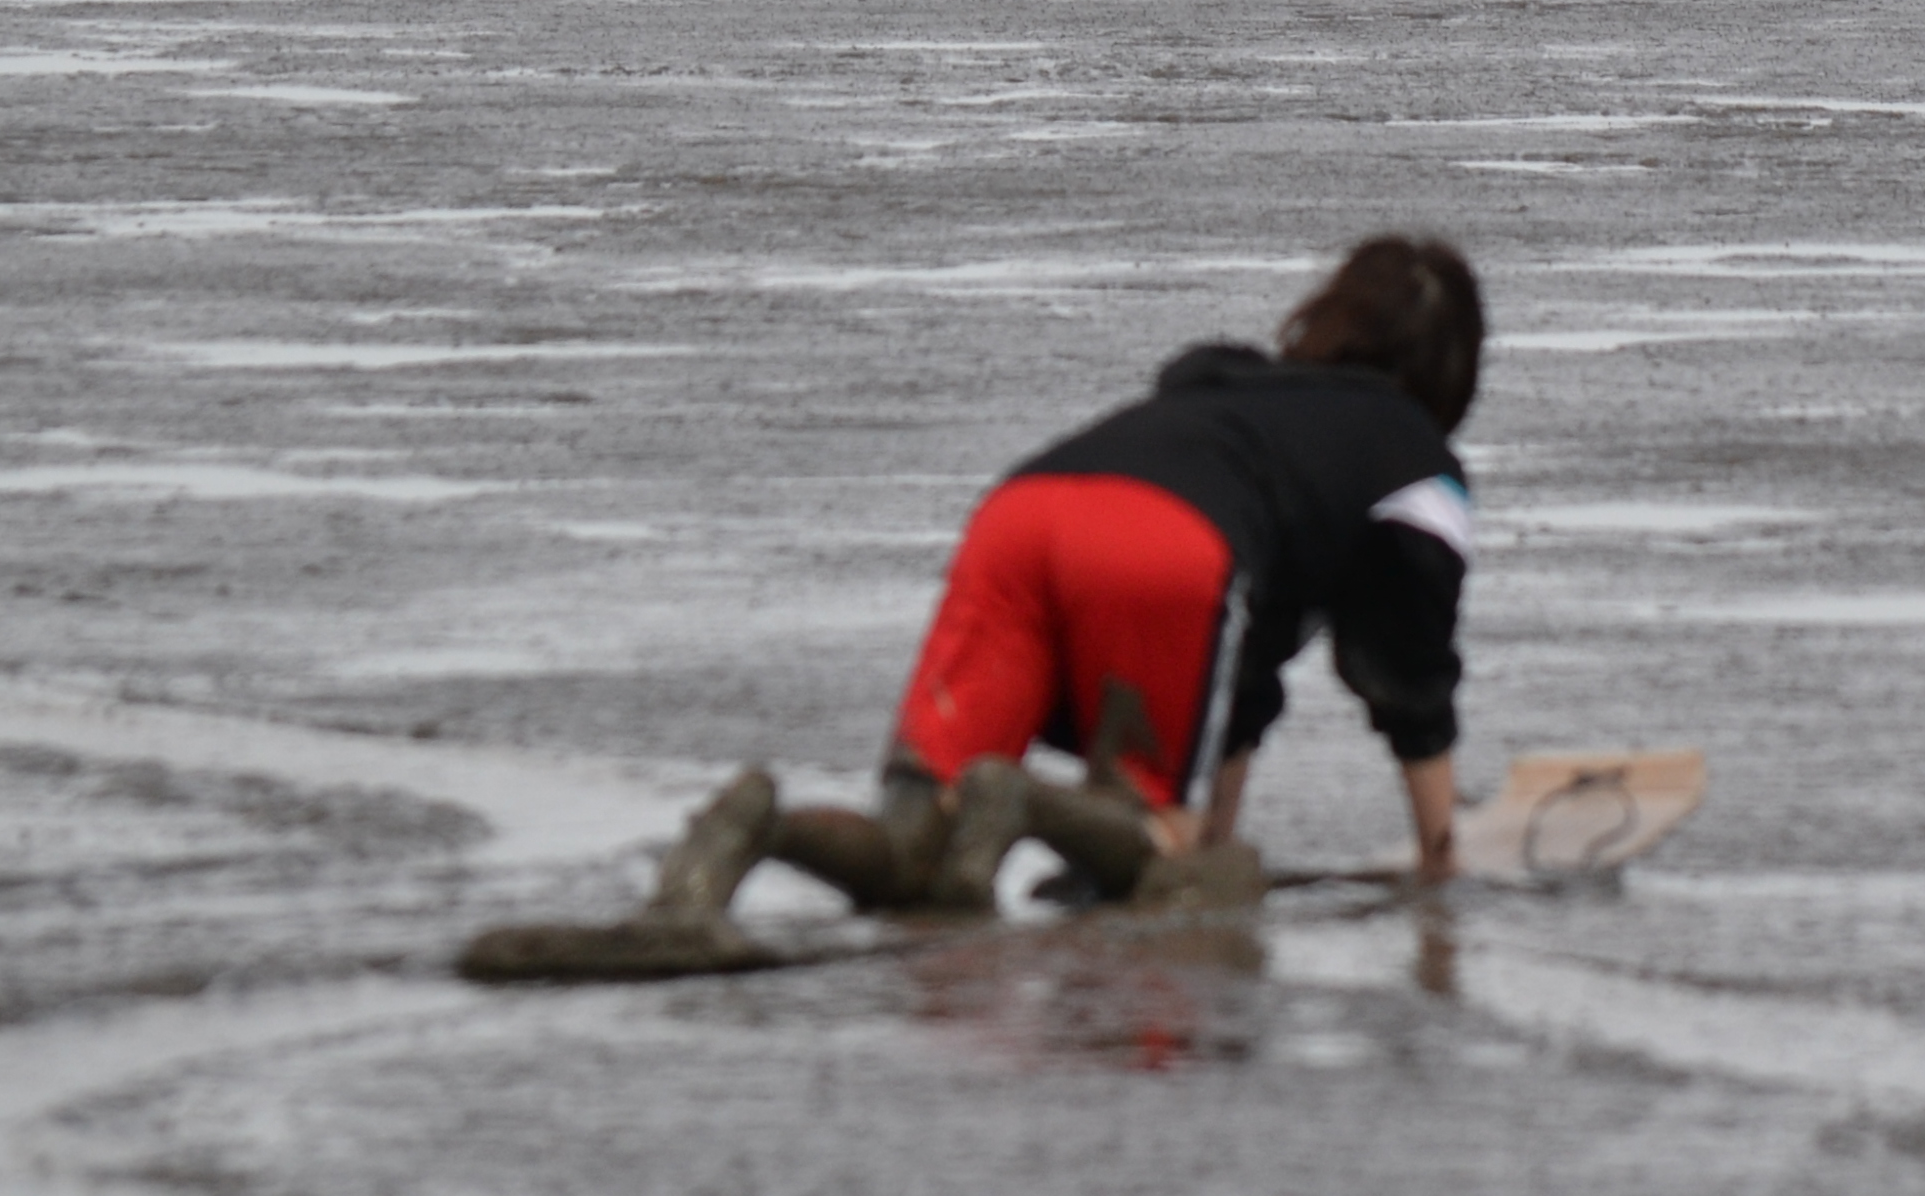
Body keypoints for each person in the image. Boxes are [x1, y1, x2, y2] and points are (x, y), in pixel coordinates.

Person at [630, 236, 1484, 931]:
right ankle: (1026, 805)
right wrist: (1440, 857)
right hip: (1164, 541)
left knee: (913, 838)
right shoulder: (1414, 463)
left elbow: (1240, 680)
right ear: (1454, 372)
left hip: (1021, 512)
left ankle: (760, 826)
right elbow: (1407, 672)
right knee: (1156, 842)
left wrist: (1214, 835)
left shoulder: (1232, 403)